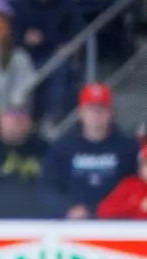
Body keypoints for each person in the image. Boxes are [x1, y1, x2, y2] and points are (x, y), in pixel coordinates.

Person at [41, 83, 138, 220]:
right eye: (91, 109)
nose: (96, 115)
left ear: (111, 113)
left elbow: (136, 186)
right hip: (71, 224)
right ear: (81, 112)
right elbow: (49, 185)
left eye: (102, 109)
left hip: (116, 224)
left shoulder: (128, 148)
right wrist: (67, 209)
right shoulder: (63, 146)